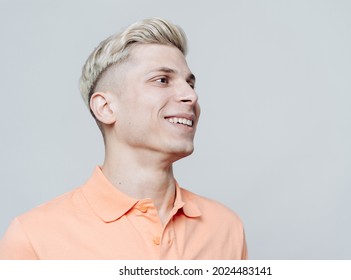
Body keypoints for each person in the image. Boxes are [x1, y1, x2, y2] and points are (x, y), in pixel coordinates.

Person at [0, 18, 247, 259]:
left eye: (190, 84)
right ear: (106, 107)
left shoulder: (225, 227)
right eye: (162, 80)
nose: (190, 96)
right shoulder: (33, 238)